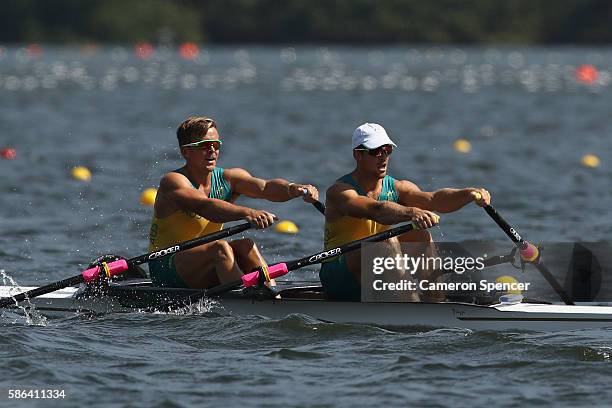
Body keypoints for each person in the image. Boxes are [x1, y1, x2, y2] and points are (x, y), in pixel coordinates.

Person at [322, 123, 491, 301]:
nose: (383, 157)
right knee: (386, 240)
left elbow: (434, 200)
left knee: (420, 236)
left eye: (387, 150)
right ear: (358, 154)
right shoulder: (339, 192)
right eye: (375, 151)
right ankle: (411, 305)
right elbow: (376, 210)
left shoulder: (398, 187)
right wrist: (412, 213)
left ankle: (437, 301)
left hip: (375, 268)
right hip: (339, 275)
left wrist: (468, 194)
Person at [148, 116, 319, 289]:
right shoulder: (173, 182)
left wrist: (293, 188)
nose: (212, 151)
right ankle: (246, 301)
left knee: (246, 245)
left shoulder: (229, 178)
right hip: (166, 267)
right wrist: (247, 213)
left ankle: (272, 294)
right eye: (204, 146)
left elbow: (265, 187)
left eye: (216, 145)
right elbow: (206, 207)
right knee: (220, 247)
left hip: (205, 263)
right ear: (186, 151)